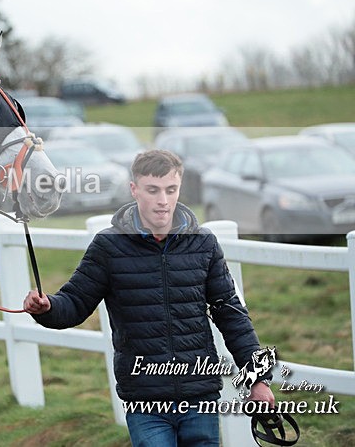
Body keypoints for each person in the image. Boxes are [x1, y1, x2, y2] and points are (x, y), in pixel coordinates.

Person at [23, 149, 275, 446]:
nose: (163, 200)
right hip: (145, 400)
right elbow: (75, 303)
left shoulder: (204, 244)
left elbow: (231, 314)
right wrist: (47, 307)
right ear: (134, 190)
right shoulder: (108, 247)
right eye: (152, 190)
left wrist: (258, 379)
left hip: (200, 396)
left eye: (171, 190)